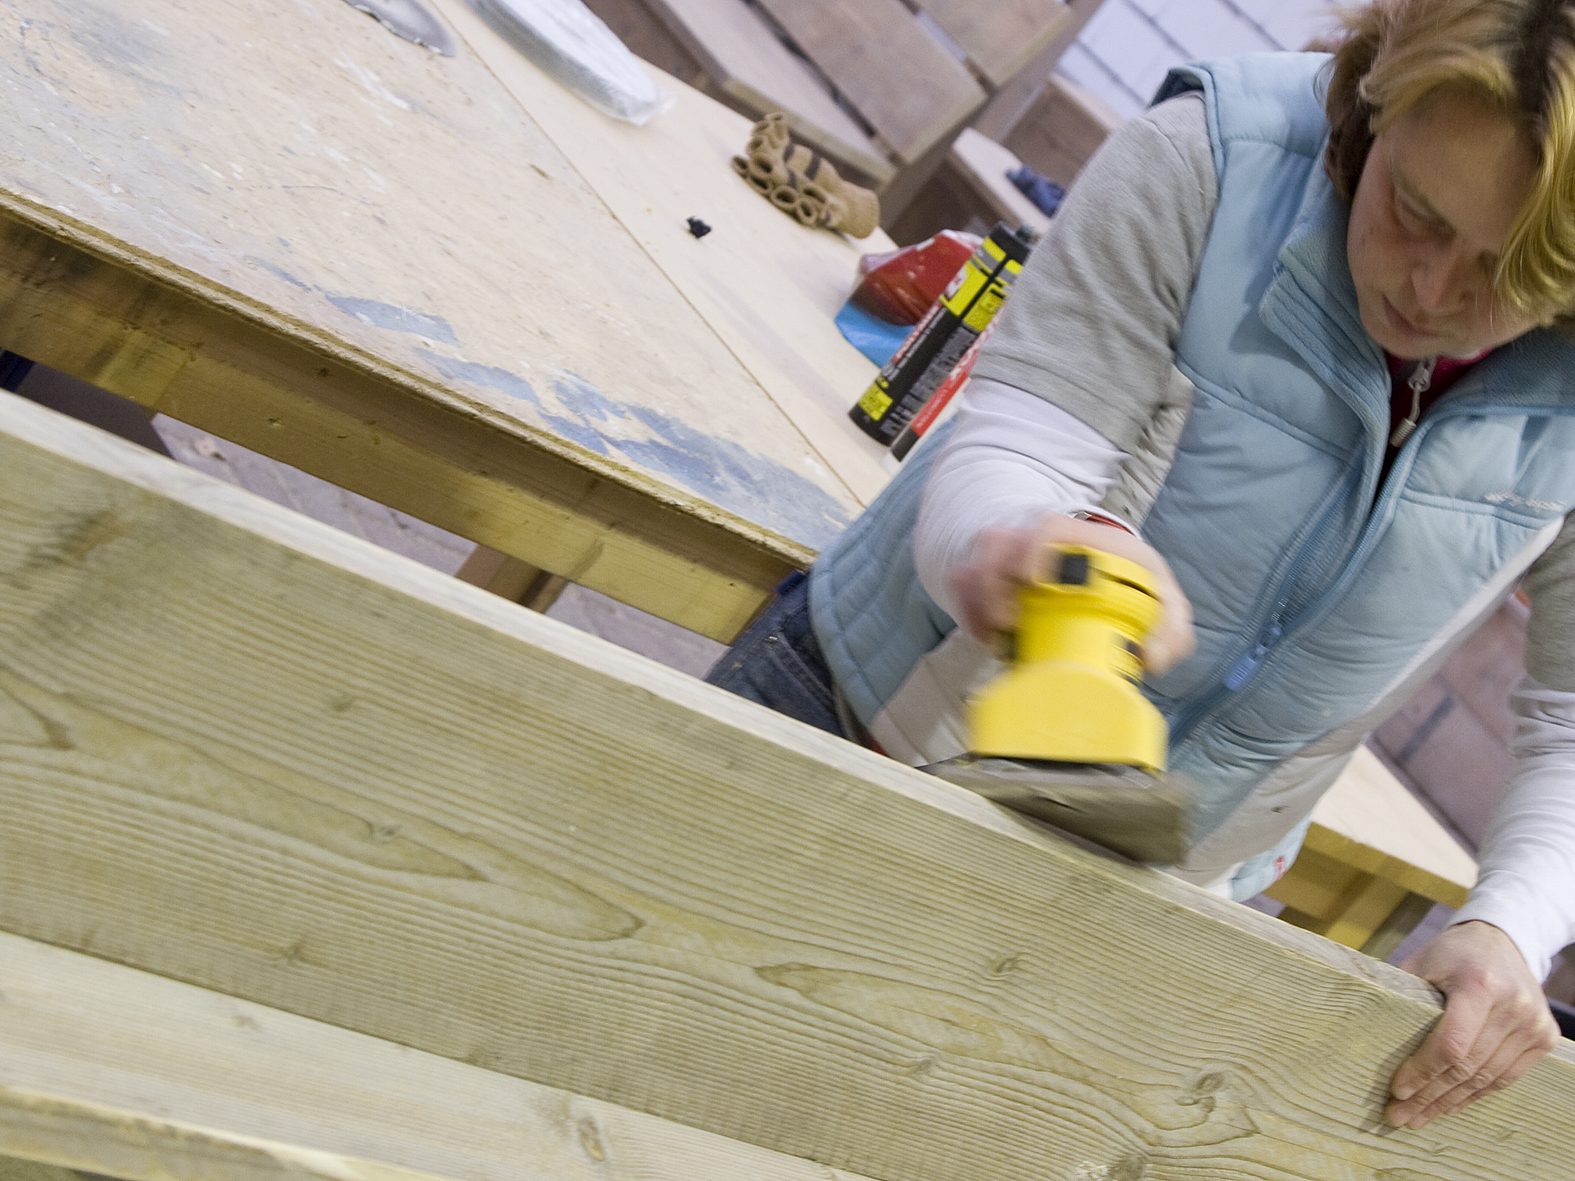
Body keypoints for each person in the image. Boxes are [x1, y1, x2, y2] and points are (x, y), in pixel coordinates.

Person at [708, 0, 1575, 1128]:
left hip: (1158, 883)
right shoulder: (1211, 158)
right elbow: (1023, 436)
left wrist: (1511, 920)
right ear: (1381, 101)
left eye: (1508, 272)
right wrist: (1016, 546)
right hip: (861, 721)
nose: (1431, 288)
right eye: (1413, 208)